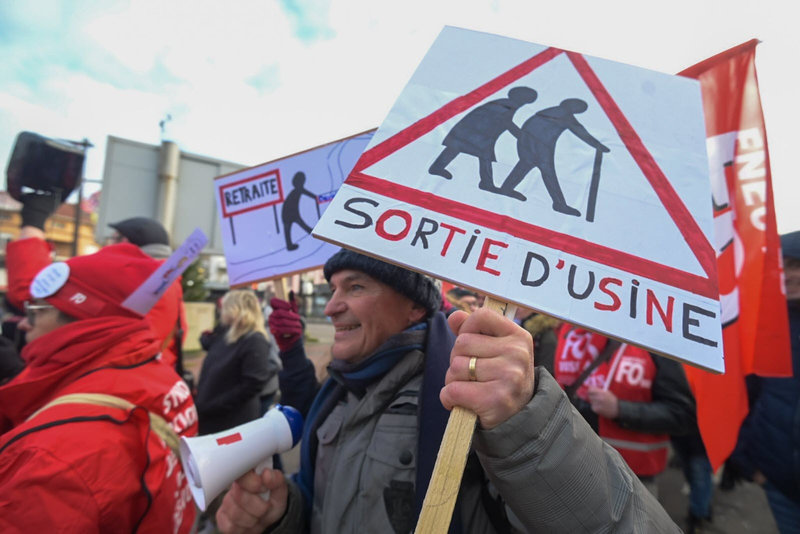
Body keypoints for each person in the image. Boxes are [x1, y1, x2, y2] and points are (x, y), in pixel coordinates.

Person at [215, 249, 679, 533]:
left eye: (355, 287)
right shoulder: (337, 392)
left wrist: (524, 422)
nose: (333, 306)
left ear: (415, 305)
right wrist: (283, 516)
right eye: (333, 288)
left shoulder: (472, 402)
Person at [0, 243, 198, 532]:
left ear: (81, 321)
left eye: (35, 311)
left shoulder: (49, 459)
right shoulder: (161, 378)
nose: (22, 324)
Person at [6, 193, 187, 370]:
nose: (107, 244)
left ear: (125, 242)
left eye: (113, 238)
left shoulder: (123, 275)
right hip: (152, 375)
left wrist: (33, 225)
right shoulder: (170, 283)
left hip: (107, 376)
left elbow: (37, 291)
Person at [552, 324, 695, 497]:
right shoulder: (573, 334)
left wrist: (621, 409)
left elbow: (682, 414)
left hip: (633, 479)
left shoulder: (656, 344)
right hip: (575, 466)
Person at [726, 230, 800, 533]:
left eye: (796, 263)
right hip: (779, 484)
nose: (788, 273)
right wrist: (750, 463)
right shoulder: (765, 324)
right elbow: (743, 393)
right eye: (781, 263)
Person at [497, 98, 609, 214]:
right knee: (548, 174)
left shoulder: (547, 111)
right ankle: (559, 204)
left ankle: (506, 188)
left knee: (525, 166)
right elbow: (580, 132)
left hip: (527, 143)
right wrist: (598, 145)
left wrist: (524, 141)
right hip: (540, 147)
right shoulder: (565, 115)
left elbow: (528, 125)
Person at [195, 289, 281, 435]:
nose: (221, 311)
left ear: (235, 310)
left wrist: (214, 405)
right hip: (211, 416)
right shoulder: (227, 334)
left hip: (231, 422)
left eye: (225, 307)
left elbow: (252, 384)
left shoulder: (255, 340)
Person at [429, 86, 538, 193]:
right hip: (476, 132)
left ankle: (438, 167)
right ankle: (486, 183)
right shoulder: (508, 104)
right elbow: (506, 122)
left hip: (475, 131)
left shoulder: (505, 103)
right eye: (525, 100)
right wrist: (521, 136)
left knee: (458, 148)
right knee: (480, 155)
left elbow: (504, 122)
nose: (524, 103)